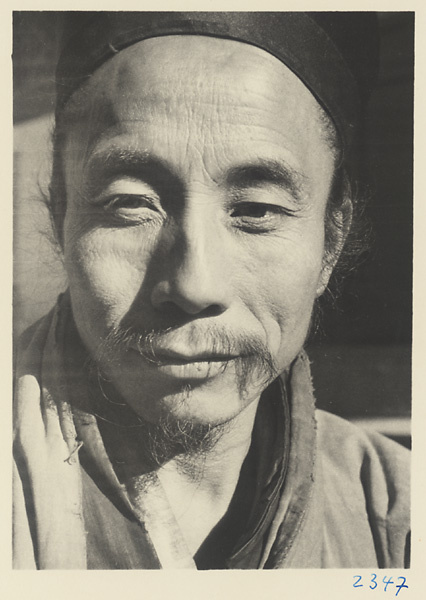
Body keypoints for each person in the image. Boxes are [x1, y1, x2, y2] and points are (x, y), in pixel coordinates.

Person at [13, 12, 410, 570]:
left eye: (256, 210)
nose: (194, 285)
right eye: (130, 203)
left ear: (330, 241)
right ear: (62, 215)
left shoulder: (393, 519)